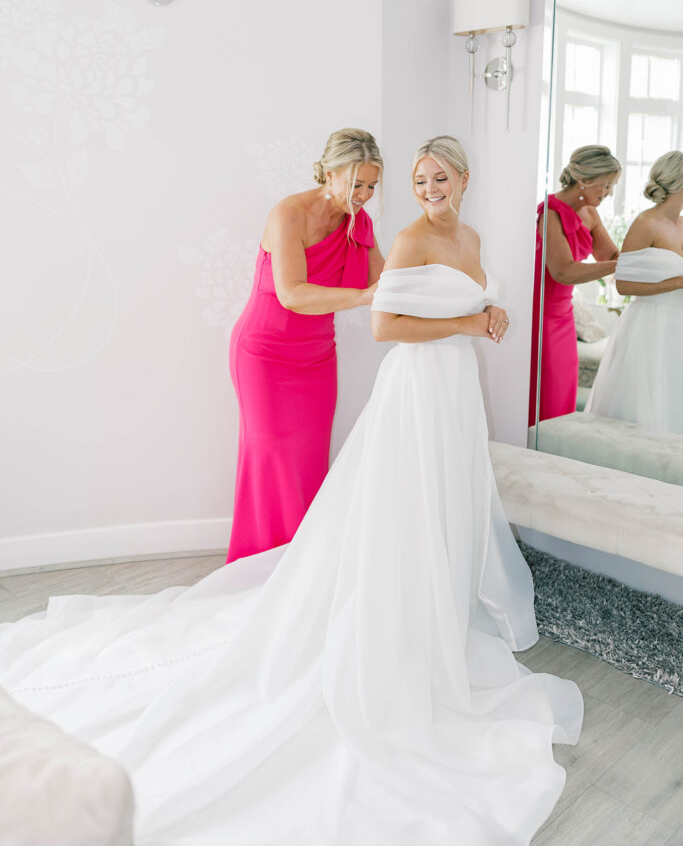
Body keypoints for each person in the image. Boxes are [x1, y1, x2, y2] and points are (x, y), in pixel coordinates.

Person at [0, 137, 583, 846]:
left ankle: (404, 596)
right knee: (297, 473)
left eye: (411, 180)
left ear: (462, 178)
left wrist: (487, 314)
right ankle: (297, 588)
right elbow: (359, 311)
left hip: (400, 373)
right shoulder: (334, 223)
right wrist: (451, 315)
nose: (402, 190)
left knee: (376, 490)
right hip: (301, 355)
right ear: (331, 171)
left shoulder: (429, 232)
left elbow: (426, 294)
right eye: (401, 179)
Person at [227, 128, 384, 562]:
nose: (365, 195)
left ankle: (303, 566)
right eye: (357, 184)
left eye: (372, 185)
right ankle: (260, 563)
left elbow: (384, 283)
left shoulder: (360, 223)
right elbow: (292, 293)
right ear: (330, 173)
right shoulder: (288, 214)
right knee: (271, 457)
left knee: (308, 460)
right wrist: (361, 298)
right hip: (264, 354)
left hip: (316, 357)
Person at [586, 151, 683, 432]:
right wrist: (677, 283)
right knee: (645, 403)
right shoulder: (645, 223)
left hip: (678, 321)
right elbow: (623, 284)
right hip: (650, 323)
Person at [529, 144, 621, 426]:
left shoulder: (590, 213)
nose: (607, 194)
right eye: (604, 186)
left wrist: (649, 254)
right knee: (545, 393)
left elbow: (610, 256)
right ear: (584, 180)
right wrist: (620, 266)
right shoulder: (551, 212)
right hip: (542, 316)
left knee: (563, 392)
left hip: (564, 317)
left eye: (610, 187)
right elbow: (563, 272)